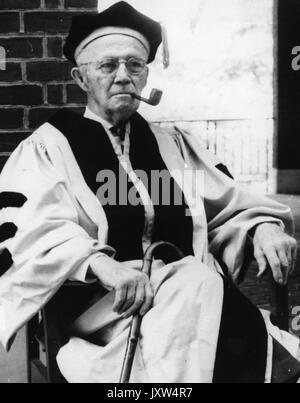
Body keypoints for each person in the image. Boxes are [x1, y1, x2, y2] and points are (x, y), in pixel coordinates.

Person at [0, 1, 299, 383]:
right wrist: (100, 265)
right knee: (200, 285)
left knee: (197, 282)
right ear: (80, 78)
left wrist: (263, 228)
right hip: (107, 311)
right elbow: (34, 228)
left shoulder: (173, 146)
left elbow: (223, 209)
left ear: (145, 77)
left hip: (194, 303)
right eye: (108, 66)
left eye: (135, 65)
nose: (123, 76)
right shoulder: (49, 149)